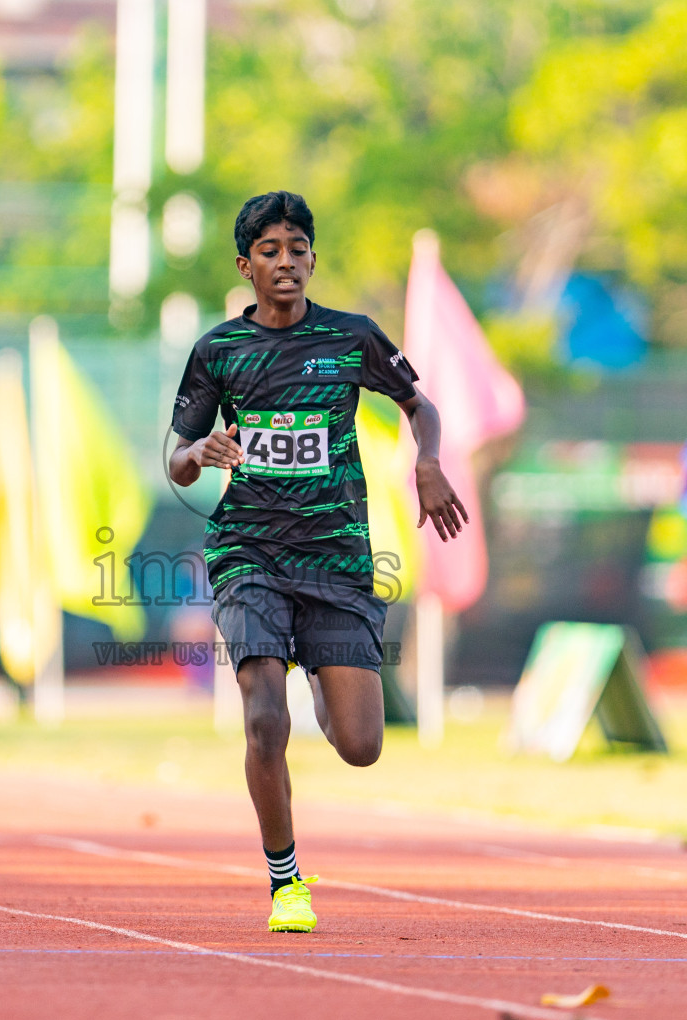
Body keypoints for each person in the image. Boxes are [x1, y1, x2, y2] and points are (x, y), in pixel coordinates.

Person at [169, 191, 467, 931]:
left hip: (335, 558)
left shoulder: (351, 338)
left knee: (361, 746)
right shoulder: (218, 351)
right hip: (250, 555)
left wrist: (427, 461)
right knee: (265, 721)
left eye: (297, 249)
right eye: (269, 251)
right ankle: (286, 881)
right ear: (246, 265)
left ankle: (311, 662)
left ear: (311, 259)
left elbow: (420, 405)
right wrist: (199, 452)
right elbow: (174, 461)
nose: (286, 263)